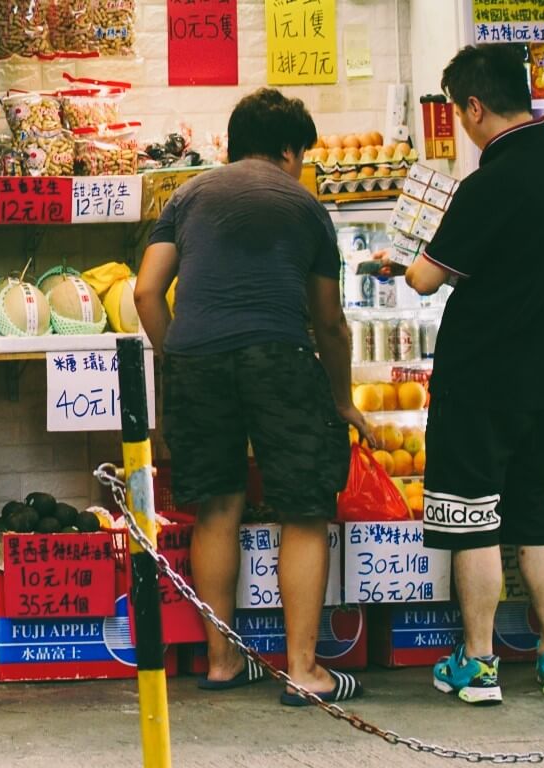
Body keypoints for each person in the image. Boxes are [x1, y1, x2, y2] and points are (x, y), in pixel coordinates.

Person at [135, 88, 371, 707]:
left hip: (196, 361)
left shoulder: (186, 197)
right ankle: (303, 669)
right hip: (279, 357)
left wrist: (177, 356)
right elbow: (330, 322)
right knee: (303, 507)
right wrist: (342, 399)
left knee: (216, 506)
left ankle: (220, 661)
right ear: (290, 151)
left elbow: (145, 292)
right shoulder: (305, 205)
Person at [405, 45, 544, 705]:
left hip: (480, 379)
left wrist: (406, 252)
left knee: (471, 520)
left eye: (459, 113)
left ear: (475, 107)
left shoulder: (491, 182)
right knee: (535, 516)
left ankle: (479, 665)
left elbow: (424, 277)